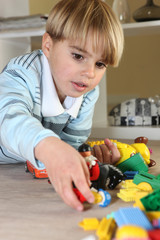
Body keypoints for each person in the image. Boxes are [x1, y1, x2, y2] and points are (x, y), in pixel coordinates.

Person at [0, 0, 124, 211]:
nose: (90, 73)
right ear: (48, 46)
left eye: (100, 63)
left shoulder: (88, 90)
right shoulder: (21, 73)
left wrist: (86, 158)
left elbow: (71, 143)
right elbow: (9, 121)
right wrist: (50, 148)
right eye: (78, 56)